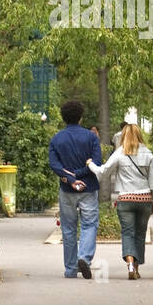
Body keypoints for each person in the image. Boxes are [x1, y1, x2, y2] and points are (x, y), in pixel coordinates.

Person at [87, 123, 153, 280]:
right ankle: (137, 267)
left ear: (123, 136)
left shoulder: (120, 152)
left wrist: (90, 164)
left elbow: (103, 172)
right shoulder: (148, 153)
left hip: (126, 199)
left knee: (127, 232)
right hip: (144, 199)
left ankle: (130, 264)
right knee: (140, 234)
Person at [48, 100, 103, 279]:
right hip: (88, 187)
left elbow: (54, 164)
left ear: (63, 117)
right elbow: (96, 162)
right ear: (81, 117)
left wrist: (71, 178)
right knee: (89, 224)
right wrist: (79, 174)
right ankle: (84, 257)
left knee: (69, 228)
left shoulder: (57, 139)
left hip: (67, 189)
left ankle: (71, 269)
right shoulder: (91, 137)